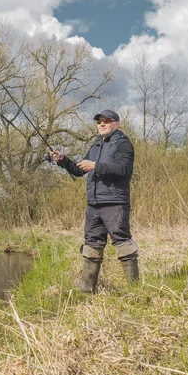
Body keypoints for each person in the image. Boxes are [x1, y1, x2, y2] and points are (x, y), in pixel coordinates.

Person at [51, 109, 138, 293]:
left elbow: (123, 169)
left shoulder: (123, 144)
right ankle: (86, 292)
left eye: (107, 121)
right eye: (99, 122)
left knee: (123, 244)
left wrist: (96, 166)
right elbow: (79, 170)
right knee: (92, 245)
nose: (102, 124)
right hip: (94, 204)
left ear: (117, 124)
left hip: (115, 203)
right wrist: (63, 160)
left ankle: (136, 291)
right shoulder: (96, 145)